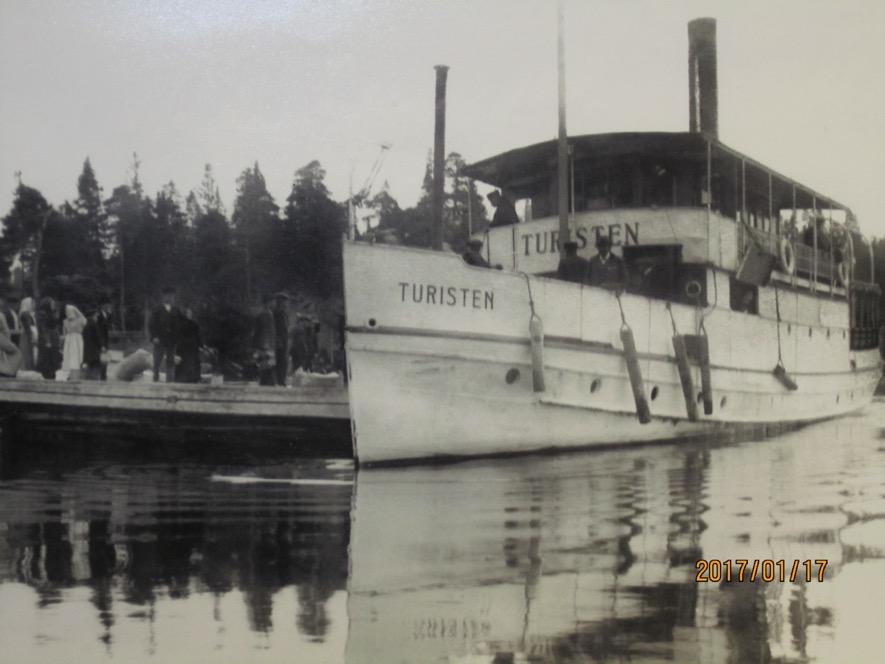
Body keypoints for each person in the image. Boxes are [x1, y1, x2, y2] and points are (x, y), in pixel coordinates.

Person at [149, 287, 181, 382]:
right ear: (163, 297)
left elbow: (179, 325)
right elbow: (151, 325)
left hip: (171, 340)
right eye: (168, 296)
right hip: (160, 340)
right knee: (157, 361)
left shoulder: (176, 310)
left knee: (171, 361)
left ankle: (169, 381)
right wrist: (154, 337)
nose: (170, 298)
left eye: (172, 296)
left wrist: (178, 338)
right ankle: (155, 378)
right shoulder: (157, 309)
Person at [252, 295, 276, 386]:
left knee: (265, 361)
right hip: (265, 341)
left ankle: (265, 380)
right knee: (266, 361)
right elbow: (266, 329)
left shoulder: (265, 313)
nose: (272, 303)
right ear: (267, 303)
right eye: (271, 302)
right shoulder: (266, 314)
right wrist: (268, 342)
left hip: (265, 341)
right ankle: (266, 381)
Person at [36, 296, 61, 379]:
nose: (54, 304)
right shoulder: (43, 314)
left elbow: (56, 321)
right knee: (47, 360)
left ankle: (51, 375)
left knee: (53, 359)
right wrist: (47, 341)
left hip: (53, 338)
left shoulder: (51, 313)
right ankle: (48, 376)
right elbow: (43, 328)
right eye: (52, 303)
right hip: (48, 339)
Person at [176, 307, 202, 383]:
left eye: (191, 313)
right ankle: (185, 379)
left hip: (194, 347)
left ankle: (195, 378)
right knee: (185, 363)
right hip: (185, 347)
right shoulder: (181, 324)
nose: (190, 315)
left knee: (195, 362)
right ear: (185, 314)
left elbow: (197, 336)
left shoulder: (195, 324)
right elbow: (180, 337)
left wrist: (201, 345)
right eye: (188, 313)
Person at [61, 304, 87, 379]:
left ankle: (77, 375)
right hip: (69, 341)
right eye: (67, 311)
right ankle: (68, 375)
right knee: (69, 358)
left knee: (77, 358)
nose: (68, 313)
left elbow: (85, 321)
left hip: (77, 340)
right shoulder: (65, 321)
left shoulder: (80, 320)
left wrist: (78, 311)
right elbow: (64, 333)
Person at [81, 308, 104, 380]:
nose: (97, 318)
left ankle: (88, 380)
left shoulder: (84, 324)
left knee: (89, 367)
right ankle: (94, 382)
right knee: (96, 368)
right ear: (93, 316)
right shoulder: (94, 325)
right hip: (94, 351)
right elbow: (97, 337)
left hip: (86, 351)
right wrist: (102, 346)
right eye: (96, 316)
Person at [273, 292, 290, 386]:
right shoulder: (277, 313)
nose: (286, 304)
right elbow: (276, 328)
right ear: (280, 302)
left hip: (284, 339)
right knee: (281, 360)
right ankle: (280, 380)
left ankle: (282, 380)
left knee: (284, 360)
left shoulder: (284, 313)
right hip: (280, 340)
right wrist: (278, 339)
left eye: (286, 302)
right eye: (284, 302)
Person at [17, 297, 38, 371]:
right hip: (27, 335)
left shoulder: (29, 314)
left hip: (28, 334)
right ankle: (26, 369)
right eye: (32, 303)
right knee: (26, 352)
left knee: (29, 352)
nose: (33, 305)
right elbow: (27, 326)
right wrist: (31, 336)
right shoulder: (25, 314)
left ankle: (28, 368)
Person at [97, 298, 112, 380]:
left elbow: (108, 326)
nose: (108, 307)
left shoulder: (107, 314)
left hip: (105, 339)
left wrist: (110, 315)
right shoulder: (99, 315)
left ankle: (104, 374)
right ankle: (101, 374)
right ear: (102, 306)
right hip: (101, 339)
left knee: (105, 358)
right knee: (101, 357)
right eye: (106, 305)